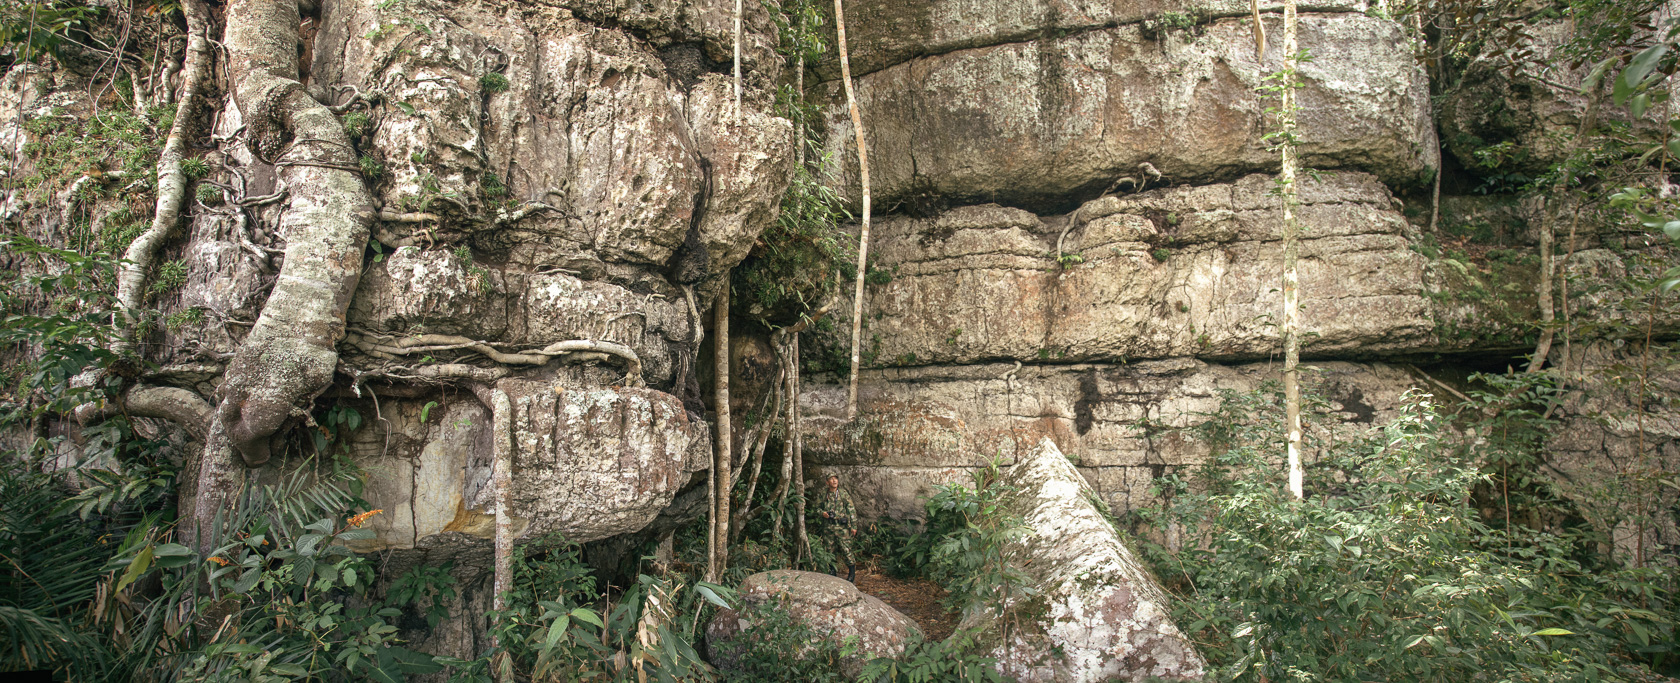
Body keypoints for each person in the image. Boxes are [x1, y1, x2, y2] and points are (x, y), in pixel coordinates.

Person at [814, 473, 858, 582]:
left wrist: (853, 526)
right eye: (831, 479)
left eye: (836, 479)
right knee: (830, 550)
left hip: (842, 528)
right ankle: (832, 572)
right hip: (828, 527)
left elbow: (851, 509)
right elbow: (816, 508)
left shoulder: (843, 493)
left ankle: (852, 574)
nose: (834, 481)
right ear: (827, 482)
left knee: (846, 550)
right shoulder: (824, 494)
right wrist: (823, 513)